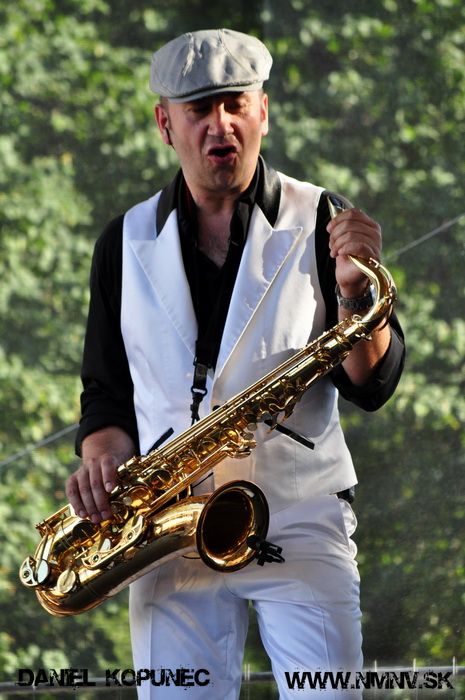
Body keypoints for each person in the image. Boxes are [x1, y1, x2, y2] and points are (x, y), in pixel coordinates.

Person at [66, 28, 405, 699]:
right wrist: (101, 459)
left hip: (300, 517)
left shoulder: (324, 217)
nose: (219, 124)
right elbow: (105, 391)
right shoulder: (122, 240)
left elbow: (373, 384)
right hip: (169, 524)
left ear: (262, 112)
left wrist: (353, 294)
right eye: (199, 109)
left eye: (234, 104)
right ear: (165, 124)